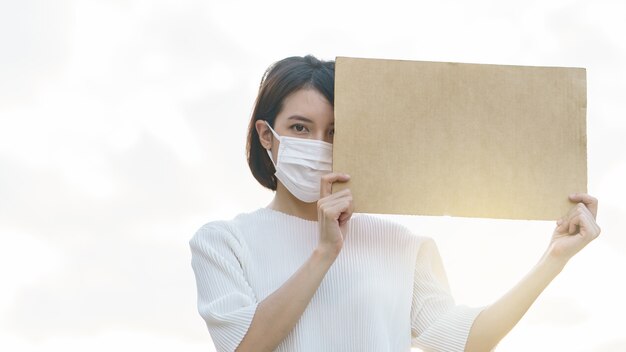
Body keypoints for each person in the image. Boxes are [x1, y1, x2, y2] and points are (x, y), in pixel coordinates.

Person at [189, 55, 601, 352]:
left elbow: (467, 342)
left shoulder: (402, 245)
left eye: (335, 132)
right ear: (266, 135)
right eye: (300, 128)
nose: (320, 145)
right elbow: (243, 346)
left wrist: (553, 258)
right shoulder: (224, 242)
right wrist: (325, 252)